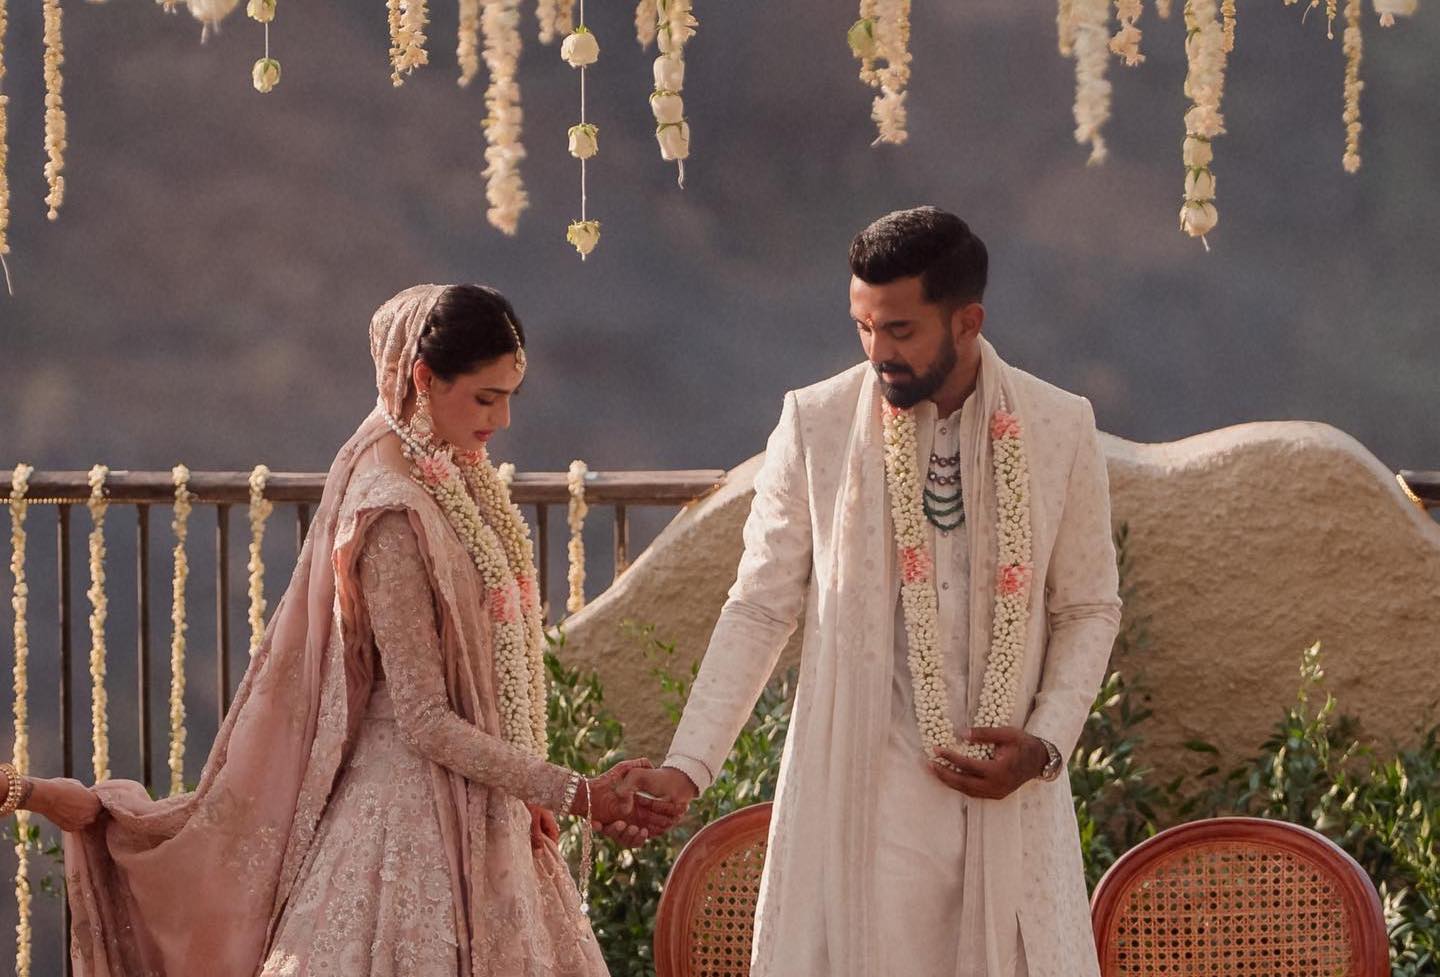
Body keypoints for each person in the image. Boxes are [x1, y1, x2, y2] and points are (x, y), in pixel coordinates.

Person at [0, 283, 670, 977]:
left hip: (480, 796)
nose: (500, 419)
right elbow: (424, 719)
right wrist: (570, 789)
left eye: (509, 397)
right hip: (406, 823)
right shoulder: (391, 509)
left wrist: (527, 786)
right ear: (422, 377)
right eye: (483, 397)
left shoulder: (447, 466)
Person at [630, 207, 1123, 977]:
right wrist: (688, 764)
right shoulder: (817, 423)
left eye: (899, 330)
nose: (876, 352)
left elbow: (1089, 605)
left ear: (968, 320)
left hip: (1010, 797)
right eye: (863, 327)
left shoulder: (1060, 426)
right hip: (868, 794)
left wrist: (1046, 743)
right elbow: (759, 604)